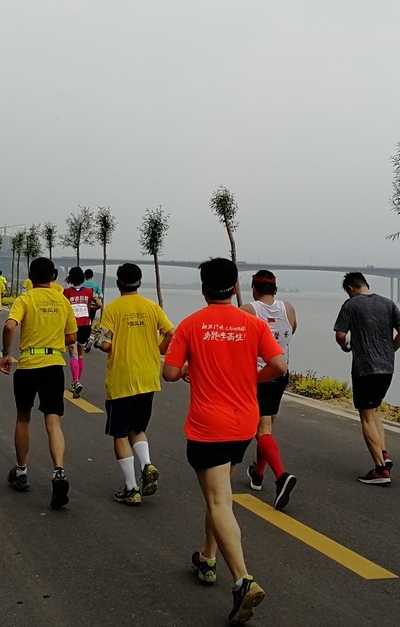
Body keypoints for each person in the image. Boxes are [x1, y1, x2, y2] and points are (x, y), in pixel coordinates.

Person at [163, 258, 286, 625]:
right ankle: (208, 556)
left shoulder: (191, 324)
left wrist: (187, 369)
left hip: (208, 425)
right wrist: (253, 379)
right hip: (243, 424)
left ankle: (243, 580)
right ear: (235, 289)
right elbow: (279, 367)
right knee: (220, 494)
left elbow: (169, 373)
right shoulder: (253, 323)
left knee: (218, 499)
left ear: (203, 290)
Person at [0, 257, 77, 509]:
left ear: (30, 277)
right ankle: (59, 472)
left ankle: (21, 471)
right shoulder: (63, 301)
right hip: (54, 365)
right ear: (53, 276)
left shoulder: (25, 299)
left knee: (23, 418)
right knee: (53, 421)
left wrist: (6, 353)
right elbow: (72, 336)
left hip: (29, 365)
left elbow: (10, 325)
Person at [98, 263, 174, 505]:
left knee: (120, 434)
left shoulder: (112, 309)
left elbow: (105, 343)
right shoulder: (152, 307)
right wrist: (156, 350)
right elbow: (172, 333)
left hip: (122, 378)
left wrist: (105, 344)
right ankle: (147, 464)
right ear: (139, 283)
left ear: (119, 283)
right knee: (138, 429)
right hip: (148, 377)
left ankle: (132, 488)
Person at [333, 272, 400, 486]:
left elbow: (340, 335)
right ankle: (383, 454)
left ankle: (381, 470)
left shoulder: (351, 305)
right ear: (365, 284)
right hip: (387, 368)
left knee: (366, 417)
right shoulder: (388, 303)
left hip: (365, 369)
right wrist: (389, 350)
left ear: (349, 288)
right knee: (374, 411)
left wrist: (345, 346)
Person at [239, 269, 298, 510]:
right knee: (268, 426)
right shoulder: (289, 308)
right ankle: (258, 474)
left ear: (254, 289)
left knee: (262, 429)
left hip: (258, 376)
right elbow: (292, 330)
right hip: (281, 373)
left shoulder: (248, 310)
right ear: (275, 289)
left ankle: (281, 476)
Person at [63, 267, 97, 398]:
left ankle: (75, 382)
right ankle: (77, 380)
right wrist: (91, 307)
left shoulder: (66, 292)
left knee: (73, 355)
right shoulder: (89, 291)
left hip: (72, 327)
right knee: (80, 354)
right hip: (86, 326)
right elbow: (99, 303)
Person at [82, 268, 103, 352]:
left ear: (85, 276)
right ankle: (89, 338)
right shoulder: (96, 285)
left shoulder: (82, 284)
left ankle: (83, 339)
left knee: (83, 323)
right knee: (90, 321)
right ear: (92, 276)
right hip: (93, 307)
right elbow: (101, 296)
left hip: (83, 306)